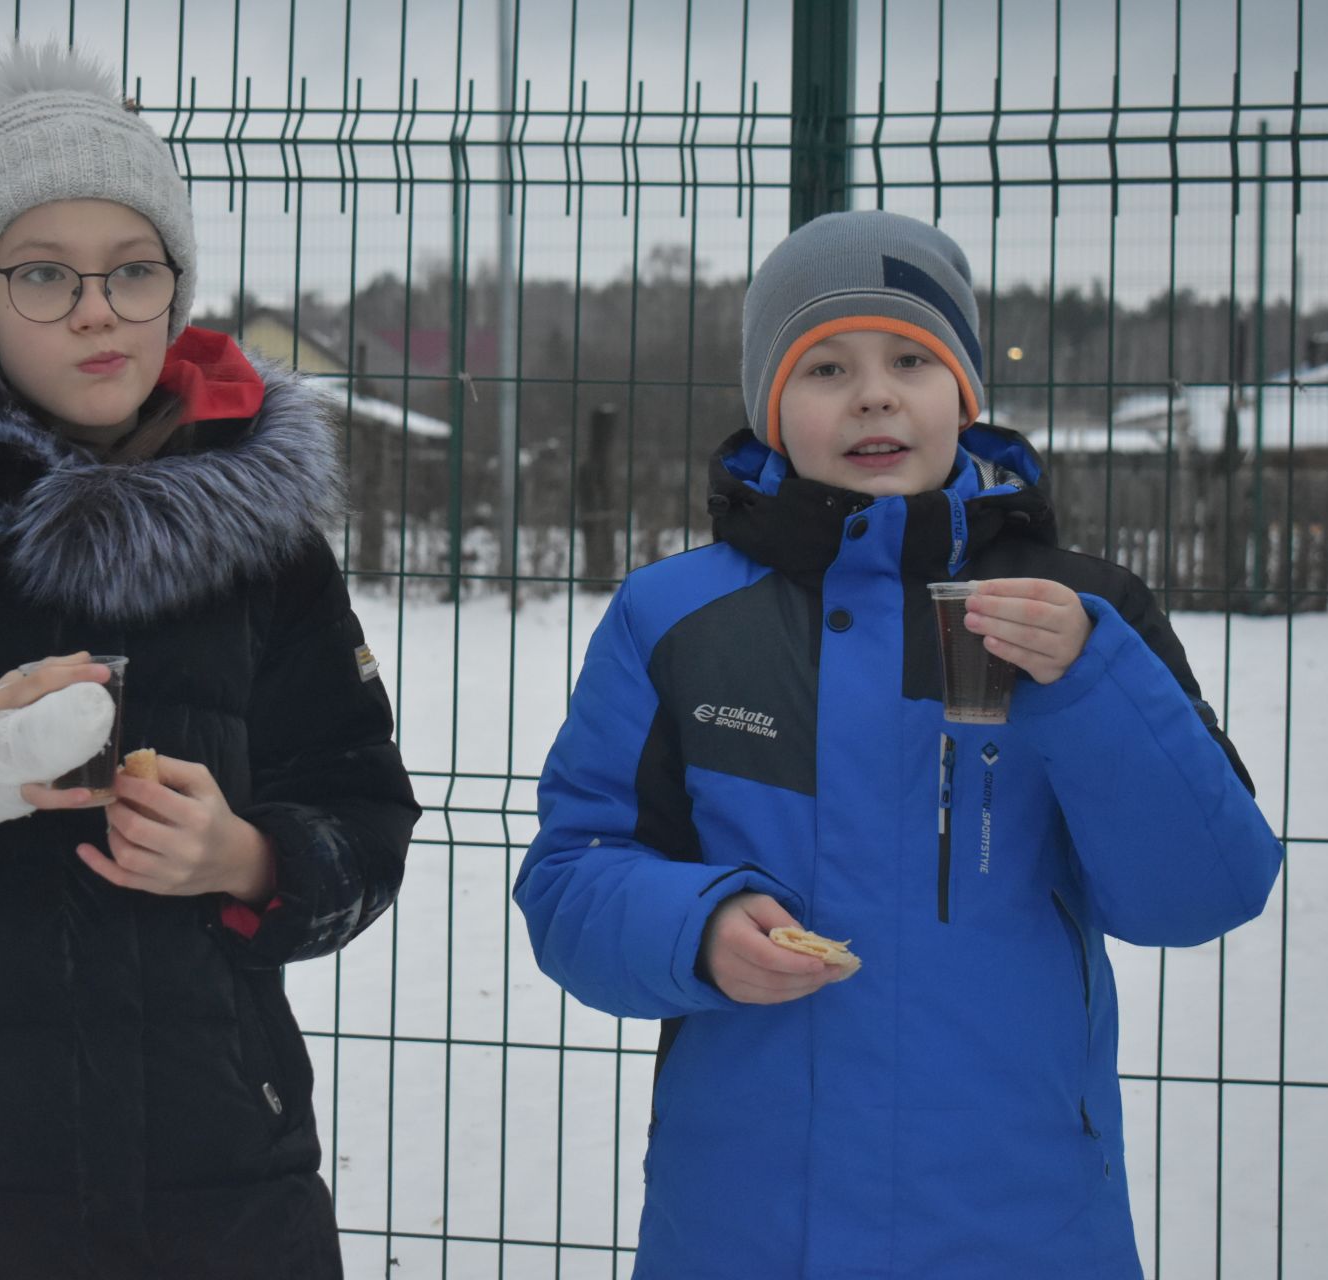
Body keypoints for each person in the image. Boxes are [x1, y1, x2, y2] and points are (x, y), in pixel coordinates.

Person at [0, 41, 418, 1279]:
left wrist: (247, 857)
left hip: (225, 1187)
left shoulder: (269, 550)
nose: (98, 308)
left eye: (132, 269)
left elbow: (367, 820)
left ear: (176, 286)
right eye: (44, 273)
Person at [513, 209, 1283, 1278]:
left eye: (911, 358)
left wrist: (1092, 681)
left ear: (963, 392)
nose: (874, 393)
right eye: (825, 364)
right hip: (746, 1220)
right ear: (770, 407)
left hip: (1021, 1218)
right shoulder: (673, 617)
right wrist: (695, 924)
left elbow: (1201, 890)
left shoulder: (1083, 612)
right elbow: (571, 877)